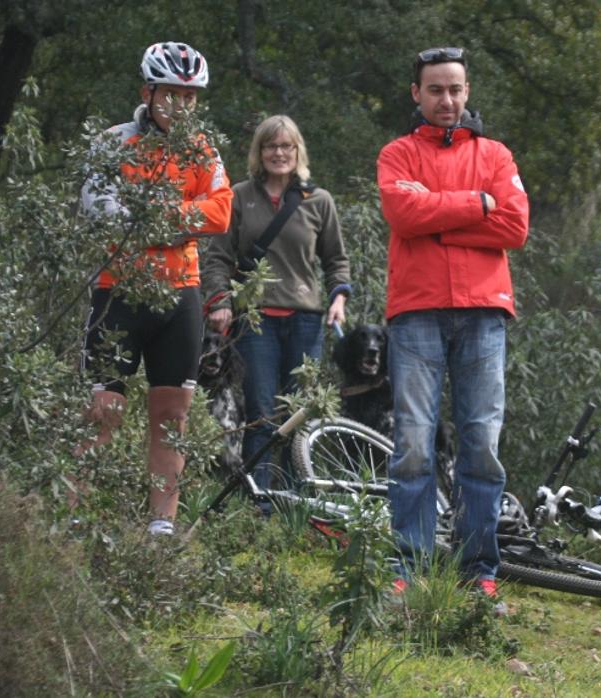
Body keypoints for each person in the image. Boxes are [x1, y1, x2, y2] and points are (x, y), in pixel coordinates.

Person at [376, 47, 529, 603]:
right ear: (415, 94)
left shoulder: (496, 153)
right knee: (413, 442)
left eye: (456, 90)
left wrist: (438, 214)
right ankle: (409, 567)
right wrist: (478, 204)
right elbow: (401, 215)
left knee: (481, 444)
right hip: (415, 309)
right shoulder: (396, 154)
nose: (447, 100)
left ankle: (478, 571)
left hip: (485, 311)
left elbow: (515, 226)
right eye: (435, 90)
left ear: (468, 93)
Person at [77, 41, 232, 536]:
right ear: (148, 91)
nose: (181, 106)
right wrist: (184, 220)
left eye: (191, 97)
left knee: (172, 414)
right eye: (172, 95)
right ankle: (76, 513)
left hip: (179, 293)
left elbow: (221, 212)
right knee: (104, 409)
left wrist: (158, 219)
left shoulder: (203, 148)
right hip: (117, 290)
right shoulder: (111, 142)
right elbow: (100, 212)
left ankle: (161, 526)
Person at [202, 115, 351, 512]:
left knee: (298, 414)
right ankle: (260, 504)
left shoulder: (318, 201)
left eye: (287, 146)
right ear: (259, 152)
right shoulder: (238, 196)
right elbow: (217, 258)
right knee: (262, 412)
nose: (279, 153)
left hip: (306, 320)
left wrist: (339, 298)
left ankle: (299, 507)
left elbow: (336, 260)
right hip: (255, 320)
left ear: (298, 151)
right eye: (271, 146)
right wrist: (218, 301)